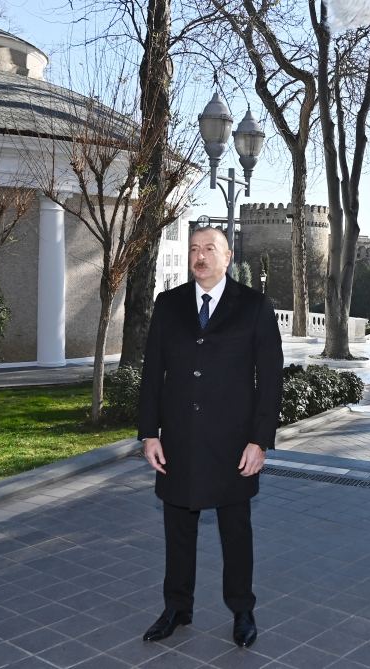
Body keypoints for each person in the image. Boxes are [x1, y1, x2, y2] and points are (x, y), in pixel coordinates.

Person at [138, 226, 283, 648]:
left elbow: (270, 380)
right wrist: (150, 433)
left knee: (235, 532)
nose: (200, 257)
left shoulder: (254, 307)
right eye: (194, 249)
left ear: (227, 255)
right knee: (177, 530)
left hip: (234, 446)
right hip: (178, 442)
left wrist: (260, 441)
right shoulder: (169, 305)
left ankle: (242, 610)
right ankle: (176, 608)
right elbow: (152, 376)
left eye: (209, 249)